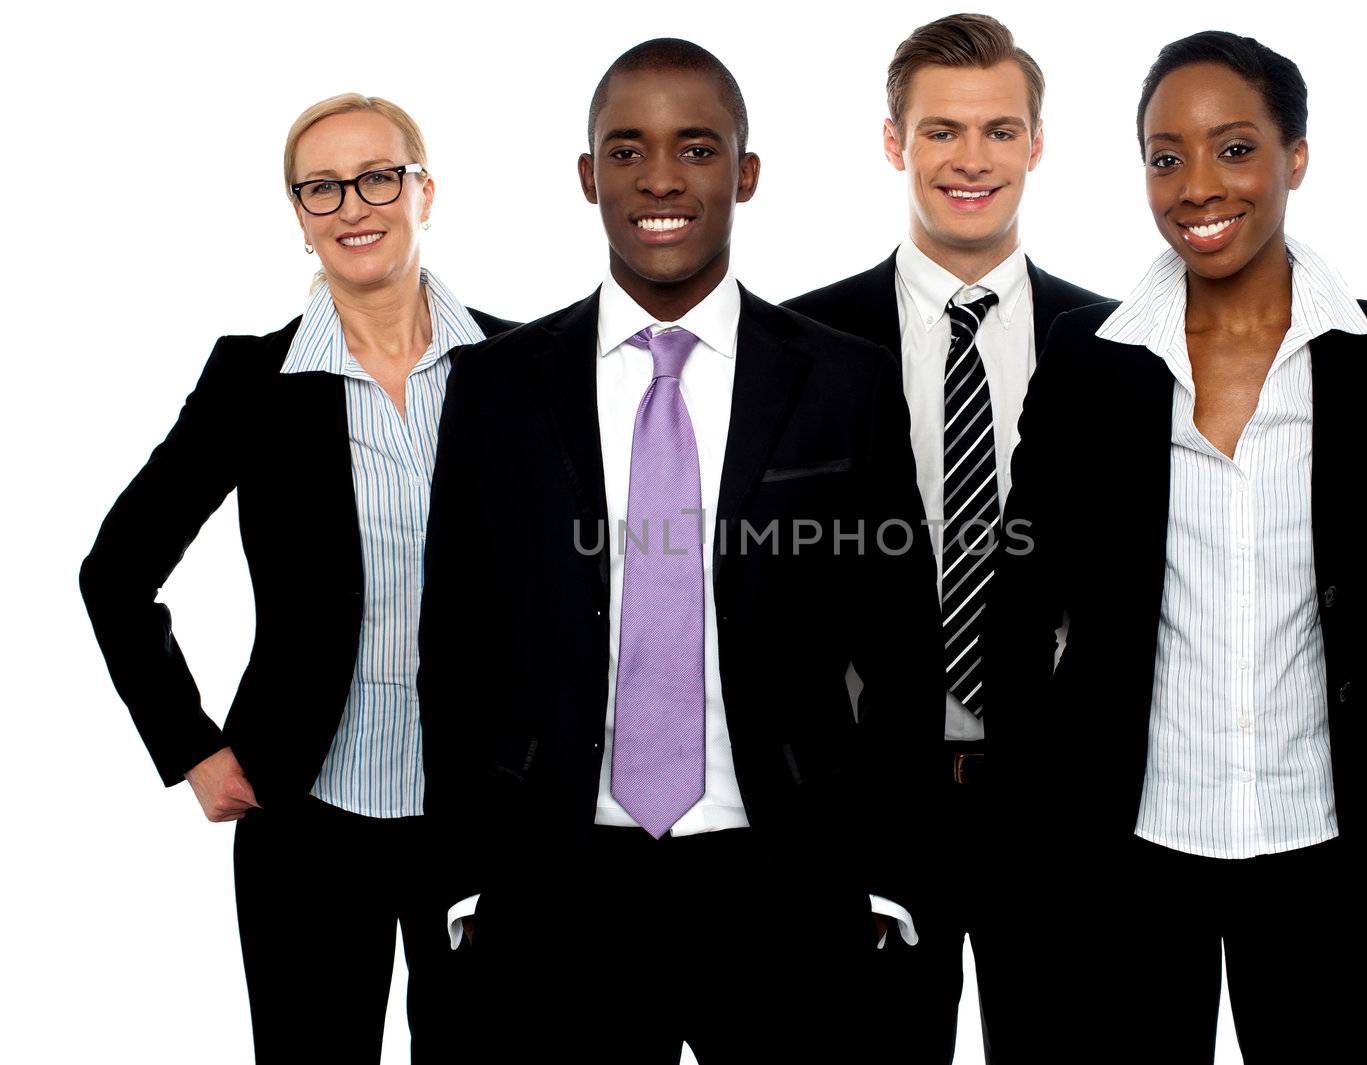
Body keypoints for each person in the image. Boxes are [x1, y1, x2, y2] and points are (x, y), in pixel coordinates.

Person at [417, 37, 944, 1065]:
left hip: (784, 882)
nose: (660, 178)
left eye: (696, 148)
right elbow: (459, 648)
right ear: (588, 177)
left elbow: (901, 652)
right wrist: (466, 876)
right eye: (627, 150)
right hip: (561, 883)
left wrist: (884, 875)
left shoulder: (842, 382)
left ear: (745, 173)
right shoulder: (500, 387)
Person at [988, 30, 1367, 1063]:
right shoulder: (1088, 368)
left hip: (1331, 861)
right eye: (1163, 156)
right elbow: (1018, 611)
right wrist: (1048, 845)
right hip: (1127, 862)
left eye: (1232, 148)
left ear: (1293, 158)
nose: (1193, 186)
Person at [78, 93, 516, 1062]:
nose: (352, 205)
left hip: (487, 824)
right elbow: (114, 571)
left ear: (424, 190)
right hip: (308, 822)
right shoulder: (251, 383)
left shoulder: (521, 368)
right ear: (299, 214)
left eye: (377, 177)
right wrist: (189, 746)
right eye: (321, 187)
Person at [783, 13, 1103, 1062]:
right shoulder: (795, 348)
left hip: (1063, 820)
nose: (972, 160)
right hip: (863, 814)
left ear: (1037, 145)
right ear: (893, 144)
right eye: (941, 132)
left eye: (999, 131)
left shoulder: (1120, 350)